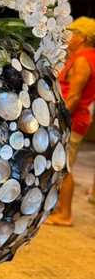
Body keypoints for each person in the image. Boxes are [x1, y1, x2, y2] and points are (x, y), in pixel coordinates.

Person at [45, 15, 95, 226]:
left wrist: (61, 120)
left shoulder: (83, 60)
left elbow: (74, 95)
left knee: (64, 166)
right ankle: (59, 208)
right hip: (75, 118)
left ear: (81, 37)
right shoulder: (86, 57)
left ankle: (65, 214)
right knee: (61, 163)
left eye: (72, 33)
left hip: (73, 119)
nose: (68, 36)